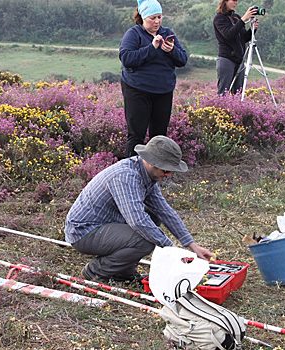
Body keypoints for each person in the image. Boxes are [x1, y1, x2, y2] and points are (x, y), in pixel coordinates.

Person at [64, 136, 214, 281]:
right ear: (150, 162)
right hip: (83, 231)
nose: (168, 175)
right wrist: (172, 249)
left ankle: (121, 271)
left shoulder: (146, 174)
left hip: (104, 224)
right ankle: (94, 272)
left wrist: (192, 245)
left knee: (154, 218)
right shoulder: (126, 177)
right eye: (166, 170)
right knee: (144, 240)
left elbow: (164, 211)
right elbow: (137, 221)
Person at [120, 0, 188, 157]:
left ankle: (156, 174)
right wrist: (152, 48)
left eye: (159, 17)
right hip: (137, 90)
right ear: (143, 17)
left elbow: (182, 60)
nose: (157, 21)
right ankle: (132, 172)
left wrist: (172, 50)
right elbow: (126, 58)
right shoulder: (134, 34)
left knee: (159, 137)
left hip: (163, 91)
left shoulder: (167, 33)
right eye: (152, 18)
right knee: (136, 135)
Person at [213, 0, 259, 95]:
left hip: (239, 60)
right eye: (233, 0)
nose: (235, 3)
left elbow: (244, 38)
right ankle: (221, 109)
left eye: (237, 1)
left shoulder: (236, 17)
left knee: (238, 92)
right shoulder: (219, 18)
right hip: (226, 59)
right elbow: (229, 34)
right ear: (225, 1)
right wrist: (243, 20)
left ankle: (236, 109)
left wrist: (253, 30)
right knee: (223, 92)